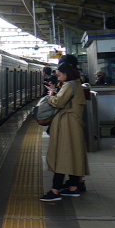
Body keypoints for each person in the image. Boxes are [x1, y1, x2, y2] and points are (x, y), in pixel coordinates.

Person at [40, 62, 90, 201]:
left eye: (60, 74)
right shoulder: (76, 84)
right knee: (72, 155)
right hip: (74, 125)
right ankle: (73, 187)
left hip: (66, 126)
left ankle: (55, 190)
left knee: (60, 157)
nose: (58, 77)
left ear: (66, 74)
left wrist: (50, 95)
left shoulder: (68, 85)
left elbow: (59, 103)